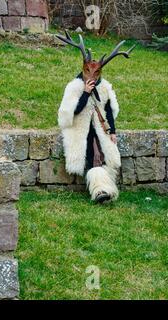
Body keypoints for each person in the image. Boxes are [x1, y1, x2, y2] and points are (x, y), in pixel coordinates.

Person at [56, 30, 135, 203]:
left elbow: (108, 110)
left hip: (101, 130)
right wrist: (85, 93)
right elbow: (71, 112)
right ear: (83, 68)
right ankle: (100, 191)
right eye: (87, 71)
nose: (91, 76)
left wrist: (112, 131)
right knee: (94, 158)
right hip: (82, 131)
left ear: (100, 72)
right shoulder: (74, 87)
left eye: (96, 73)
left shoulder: (104, 87)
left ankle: (106, 188)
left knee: (107, 157)